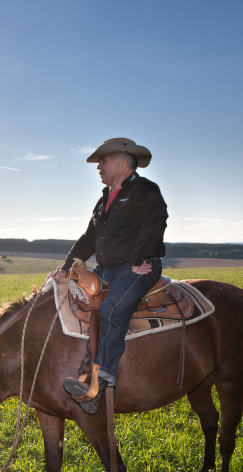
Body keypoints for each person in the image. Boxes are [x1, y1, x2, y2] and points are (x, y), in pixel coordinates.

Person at [46, 138, 168, 413]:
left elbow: (156, 222)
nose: (98, 166)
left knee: (112, 309)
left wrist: (138, 259)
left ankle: (99, 382)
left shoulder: (145, 190)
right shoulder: (103, 200)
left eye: (104, 160)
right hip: (105, 268)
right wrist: (67, 267)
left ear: (123, 162)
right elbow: (88, 239)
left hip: (137, 268)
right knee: (69, 297)